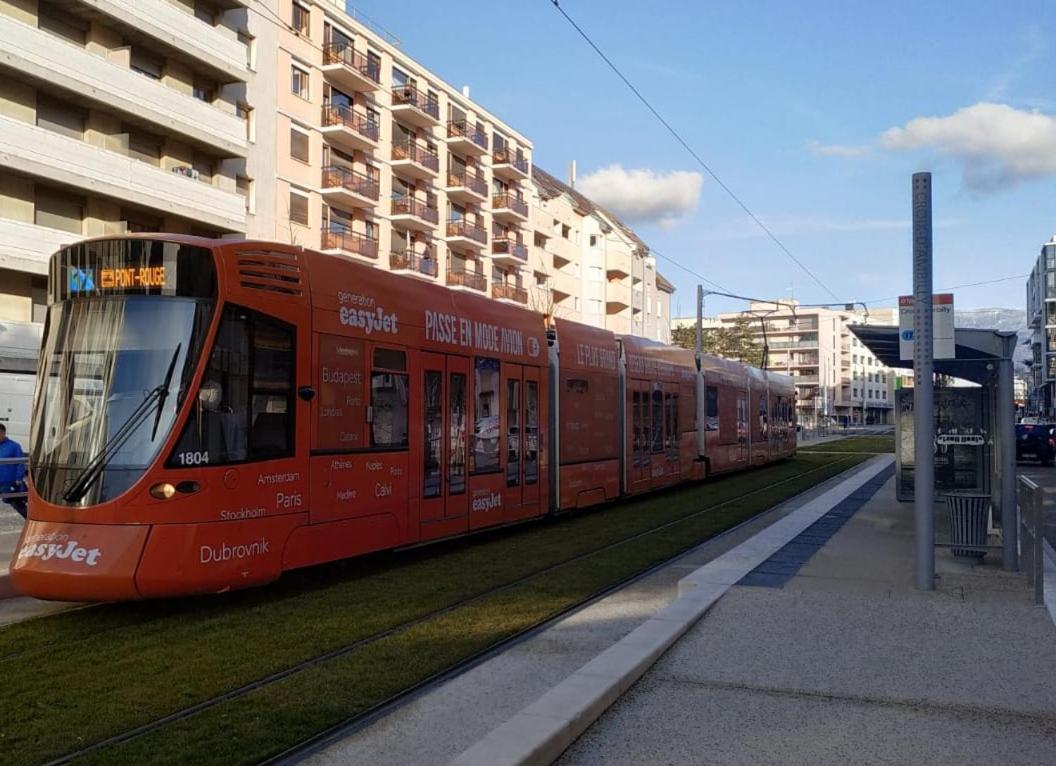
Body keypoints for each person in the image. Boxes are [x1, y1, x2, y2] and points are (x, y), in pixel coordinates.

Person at [0, 423, 27, 519]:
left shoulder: (14, 446)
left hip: (9, 483)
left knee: (18, 504)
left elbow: (21, 463)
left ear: (3, 433)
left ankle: (31, 521)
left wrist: (18, 480)